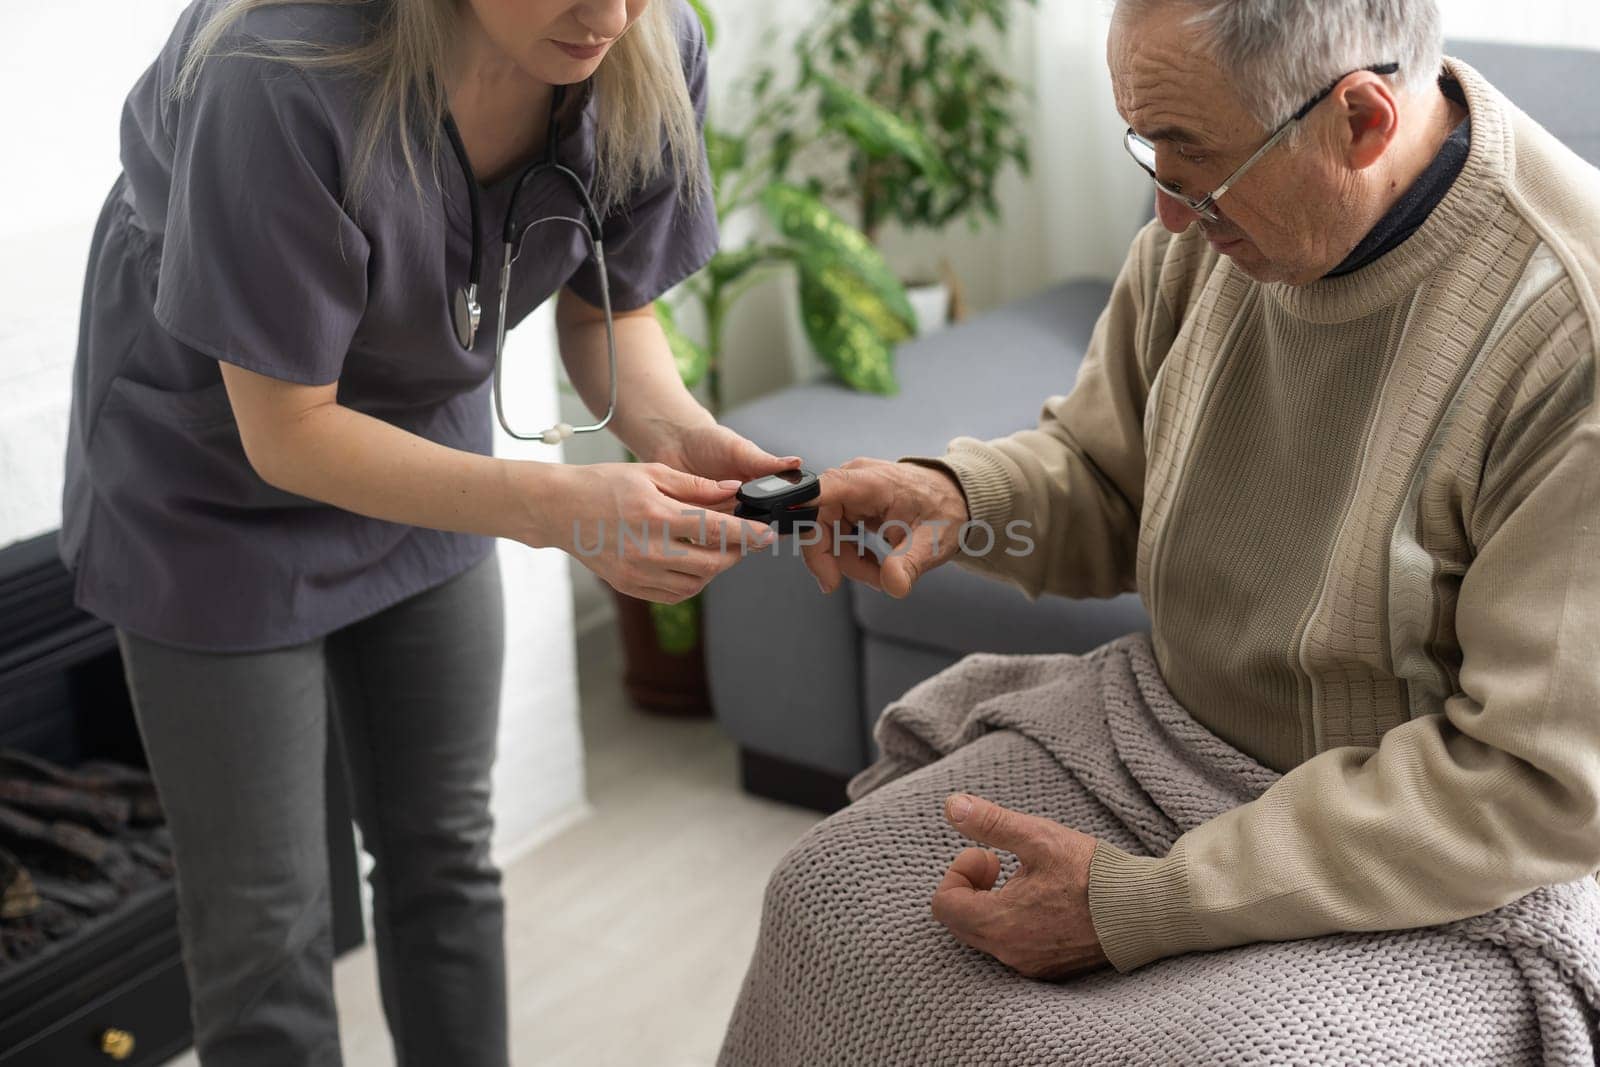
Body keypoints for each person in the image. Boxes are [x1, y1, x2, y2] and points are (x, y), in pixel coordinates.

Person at [721, 0, 1600, 1061]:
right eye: (1149, 150)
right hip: (1165, 740)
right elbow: (1104, 474)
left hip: (1433, 846)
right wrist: (961, 498)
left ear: (1360, 121)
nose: (1169, 214)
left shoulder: (1570, 334)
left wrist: (1145, 903)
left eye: (1195, 163)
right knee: (823, 898)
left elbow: (1528, 784)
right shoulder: (1220, 230)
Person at [59, 0, 782, 1063]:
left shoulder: (648, 48)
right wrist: (557, 507)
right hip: (207, 487)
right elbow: (290, 431)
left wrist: (682, 436)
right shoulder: (276, 71)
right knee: (265, 922)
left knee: (444, 856)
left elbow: (604, 308)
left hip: (422, 448)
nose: (608, 16)